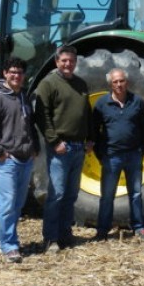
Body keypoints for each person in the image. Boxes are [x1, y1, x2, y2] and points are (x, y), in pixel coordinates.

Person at [0, 57, 39, 263]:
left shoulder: (23, 97)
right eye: (12, 72)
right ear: (5, 73)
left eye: (20, 72)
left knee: (18, 204)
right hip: (7, 160)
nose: (16, 76)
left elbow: (30, 126)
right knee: (6, 204)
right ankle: (9, 245)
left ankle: (9, 240)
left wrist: (34, 149)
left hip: (25, 159)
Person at [35, 45, 93, 252]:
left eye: (71, 61)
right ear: (57, 62)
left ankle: (65, 234)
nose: (68, 64)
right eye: (64, 61)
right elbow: (42, 115)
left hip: (78, 147)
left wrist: (90, 139)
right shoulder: (48, 83)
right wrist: (54, 141)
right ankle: (50, 238)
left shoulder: (80, 84)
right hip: (61, 147)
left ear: (76, 63)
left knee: (71, 194)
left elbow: (87, 114)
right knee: (57, 194)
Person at [93, 68, 144, 241]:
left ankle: (139, 227)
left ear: (127, 82)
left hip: (133, 155)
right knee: (107, 195)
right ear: (110, 84)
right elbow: (94, 131)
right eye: (115, 82)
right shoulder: (102, 104)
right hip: (112, 157)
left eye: (122, 81)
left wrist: (141, 151)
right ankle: (102, 229)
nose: (119, 84)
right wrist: (102, 154)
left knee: (136, 193)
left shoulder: (137, 102)